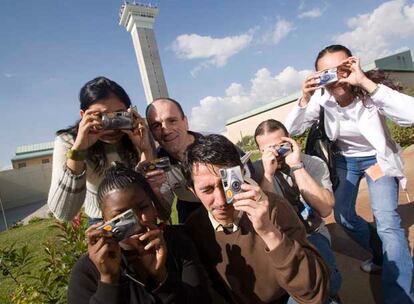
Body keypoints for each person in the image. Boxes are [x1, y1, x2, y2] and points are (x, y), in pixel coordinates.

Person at [285, 44, 414, 303]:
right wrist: (304, 98)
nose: (335, 78)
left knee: (387, 223)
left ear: (353, 65)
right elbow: (291, 130)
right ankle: (380, 255)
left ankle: (400, 296)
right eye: (326, 73)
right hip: (345, 162)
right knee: (343, 217)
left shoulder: (369, 93)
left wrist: (365, 82)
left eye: (341, 69)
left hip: (378, 162)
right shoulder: (322, 99)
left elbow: (410, 115)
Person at [182, 134, 329, 304]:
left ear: (241, 173)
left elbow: (314, 291)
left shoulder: (274, 208)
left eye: (227, 184)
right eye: (207, 190)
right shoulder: (194, 228)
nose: (221, 200)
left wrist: (269, 232)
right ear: (193, 191)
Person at [67, 163, 211, 304]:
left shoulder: (177, 242)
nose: (138, 222)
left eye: (143, 207)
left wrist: (162, 277)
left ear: (153, 207)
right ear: (105, 221)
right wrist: (109, 279)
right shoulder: (86, 271)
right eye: (122, 216)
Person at [252, 119, 342, 300]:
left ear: (290, 140)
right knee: (309, 289)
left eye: (280, 146)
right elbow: (266, 214)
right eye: (267, 150)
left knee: (329, 282)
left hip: (313, 233)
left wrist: (296, 166)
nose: (276, 154)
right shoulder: (257, 171)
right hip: (281, 238)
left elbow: (325, 209)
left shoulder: (313, 163)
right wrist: (268, 175)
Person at [47, 76, 154, 223]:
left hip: (142, 211)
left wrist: (146, 150)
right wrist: (79, 149)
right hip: (101, 217)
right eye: (100, 116)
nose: (111, 124)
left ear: (130, 112)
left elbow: (153, 190)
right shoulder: (68, 141)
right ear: (83, 115)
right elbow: (64, 213)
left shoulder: (138, 132)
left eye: (119, 115)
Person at [145, 98, 205, 223]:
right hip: (191, 209)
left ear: (185, 122)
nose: (165, 130)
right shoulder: (157, 163)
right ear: (151, 133)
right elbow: (165, 214)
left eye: (172, 121)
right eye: (156, 125)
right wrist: (155, 191)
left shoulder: (216, 144)